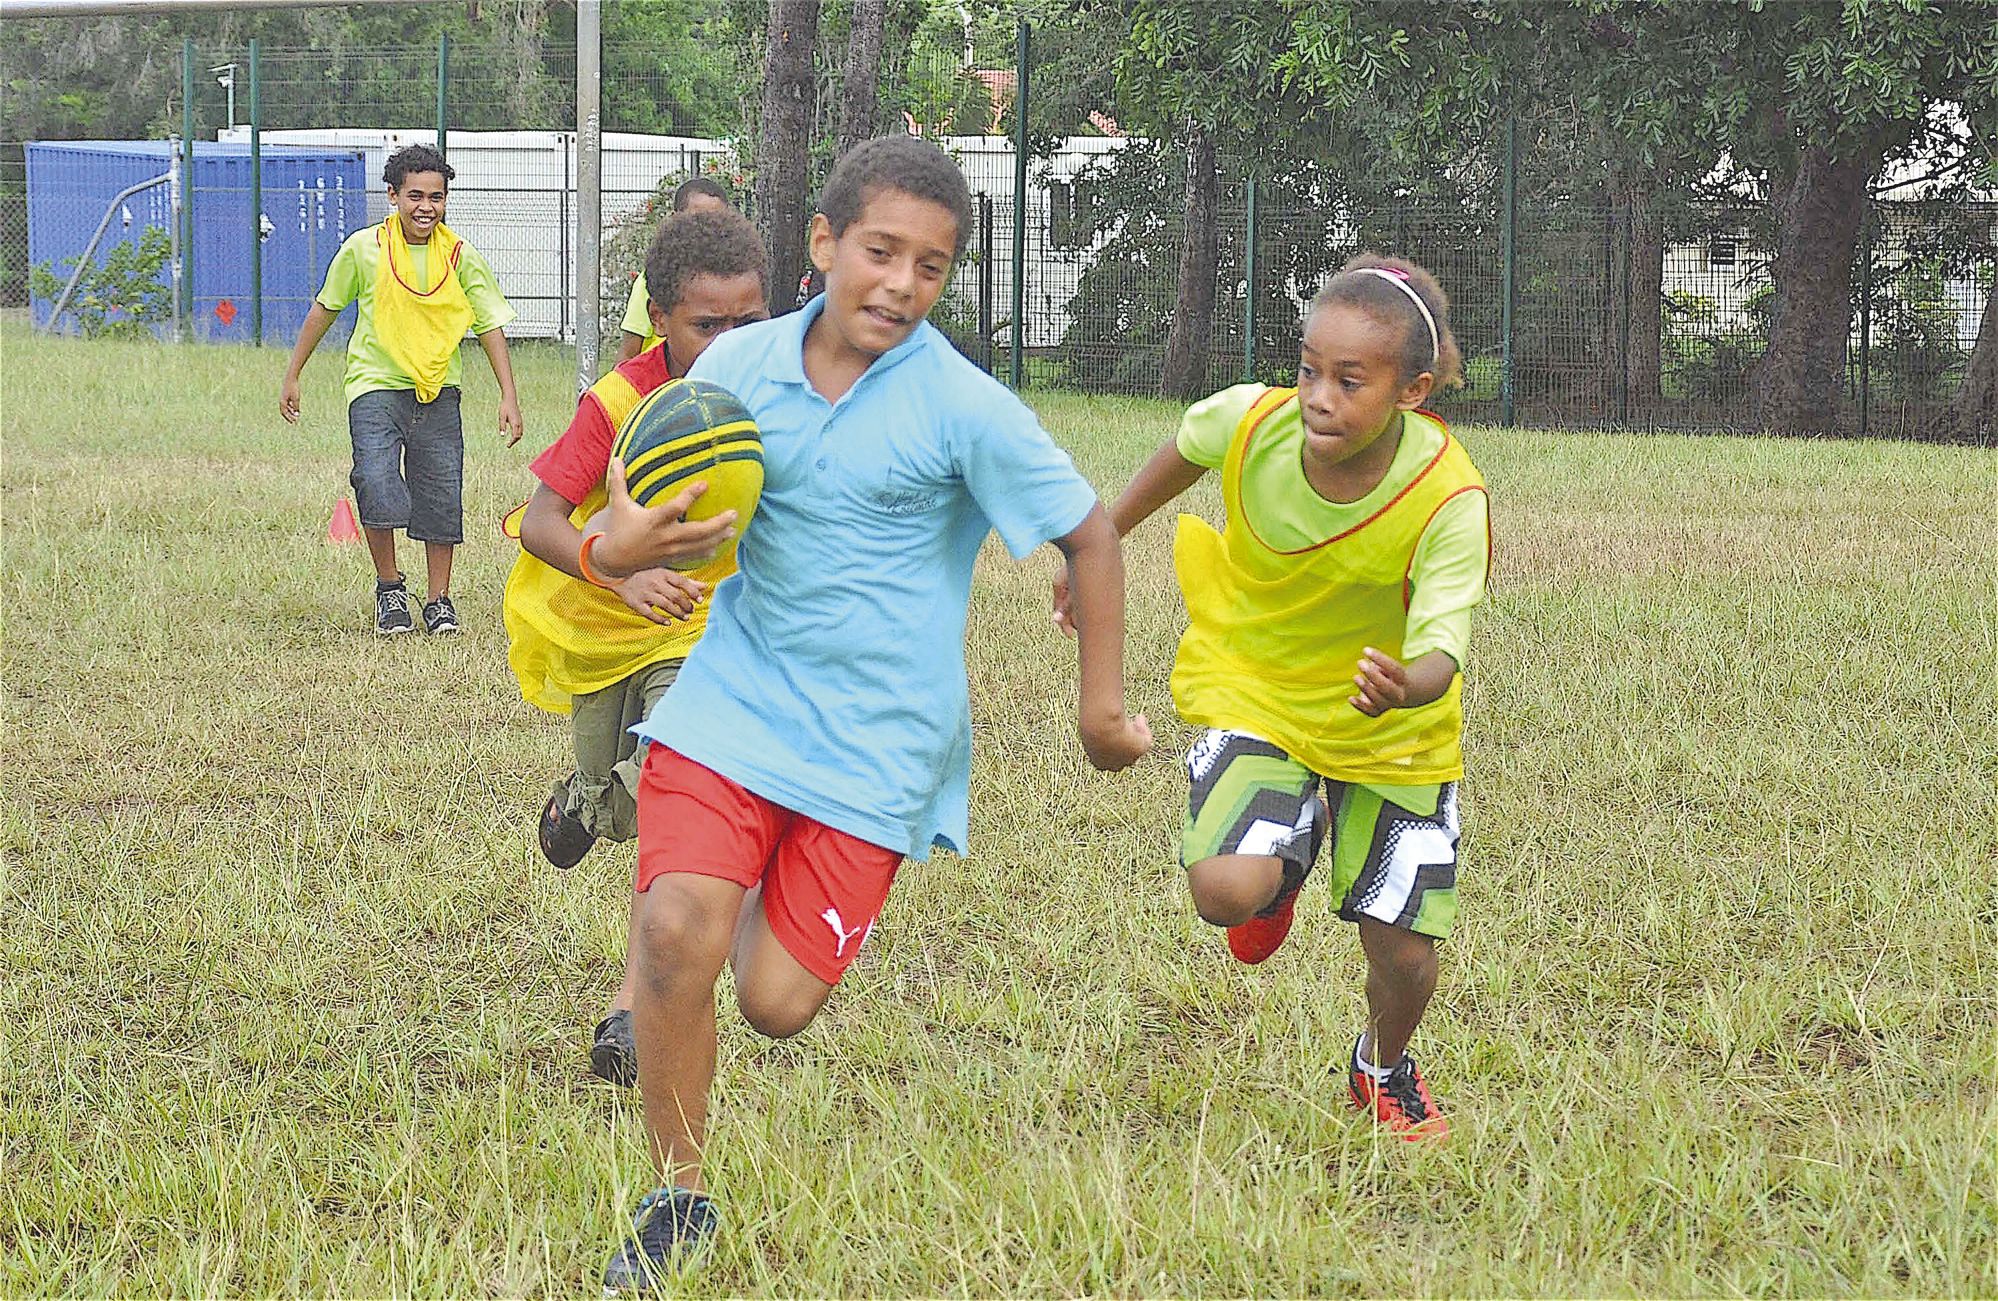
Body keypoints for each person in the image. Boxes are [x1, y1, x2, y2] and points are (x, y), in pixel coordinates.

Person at [583, 134, 1152, 1289]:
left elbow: (1090, 534)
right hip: (730, 707)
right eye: (881, 251)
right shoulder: (734, 370)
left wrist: (1101, 711)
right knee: (670, 933)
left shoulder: (962, 404)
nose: (900, 282)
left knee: (777, 1003)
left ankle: (723, 923)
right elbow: (613, 523)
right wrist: (617, 547)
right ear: (823, 244)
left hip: (881, 747)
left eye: (930, 266)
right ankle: (677, 1194)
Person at [1061, 254, 1489, 1143]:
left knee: (1404, 952)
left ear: (1411, 391)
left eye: (1348, 380)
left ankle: (1383, 1065)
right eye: (1307, 368)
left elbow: (1443, 653)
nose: (1316, 396)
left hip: (1393, 730)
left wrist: (1404, 683)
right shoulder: (1252, 422)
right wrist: (1096, 542)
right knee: (1224, 890)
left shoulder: (1449, 496)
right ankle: (1281, 864)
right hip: (1256, 685)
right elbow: (1179, 455)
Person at [503, 207, 770, 1087]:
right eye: (708, 325)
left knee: (668, 791)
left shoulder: (771, 396)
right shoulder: (617, 402)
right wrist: (617, 574)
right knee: (613, 788)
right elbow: (540, 518)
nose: (732, 342)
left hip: (705, 632)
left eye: (748, 321)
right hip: (603, 625)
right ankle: (581, 800)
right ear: (658, 319)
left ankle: (629, 1008)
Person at [280, 143, 522, 635]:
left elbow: (490, 324)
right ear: (392, 196)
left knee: (440, 490)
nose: (426, 207)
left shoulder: (459, 256)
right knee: (375, 480)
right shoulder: (363, 249)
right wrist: (293, 373)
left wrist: (508, 394)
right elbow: (324, 308)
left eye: (436, 196)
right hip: (374, 386)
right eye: (415, 195)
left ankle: (438, 600)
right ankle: (390, 589)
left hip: (439, 391)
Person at [616, 176, 732, 363]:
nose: (708, 231)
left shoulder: (734, 282)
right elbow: (628, 353)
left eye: (718, 221)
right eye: (697, 220)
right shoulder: (655, 280)